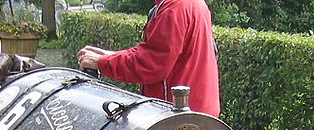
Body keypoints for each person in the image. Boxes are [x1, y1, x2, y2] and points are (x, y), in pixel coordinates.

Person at [77, 0, 220, 117]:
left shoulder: (174, 9)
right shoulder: (192, 3)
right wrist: (109, 56)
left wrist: (101, 63)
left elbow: (151, 65)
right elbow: (154, 51)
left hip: (180, 121)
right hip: (200, 113)